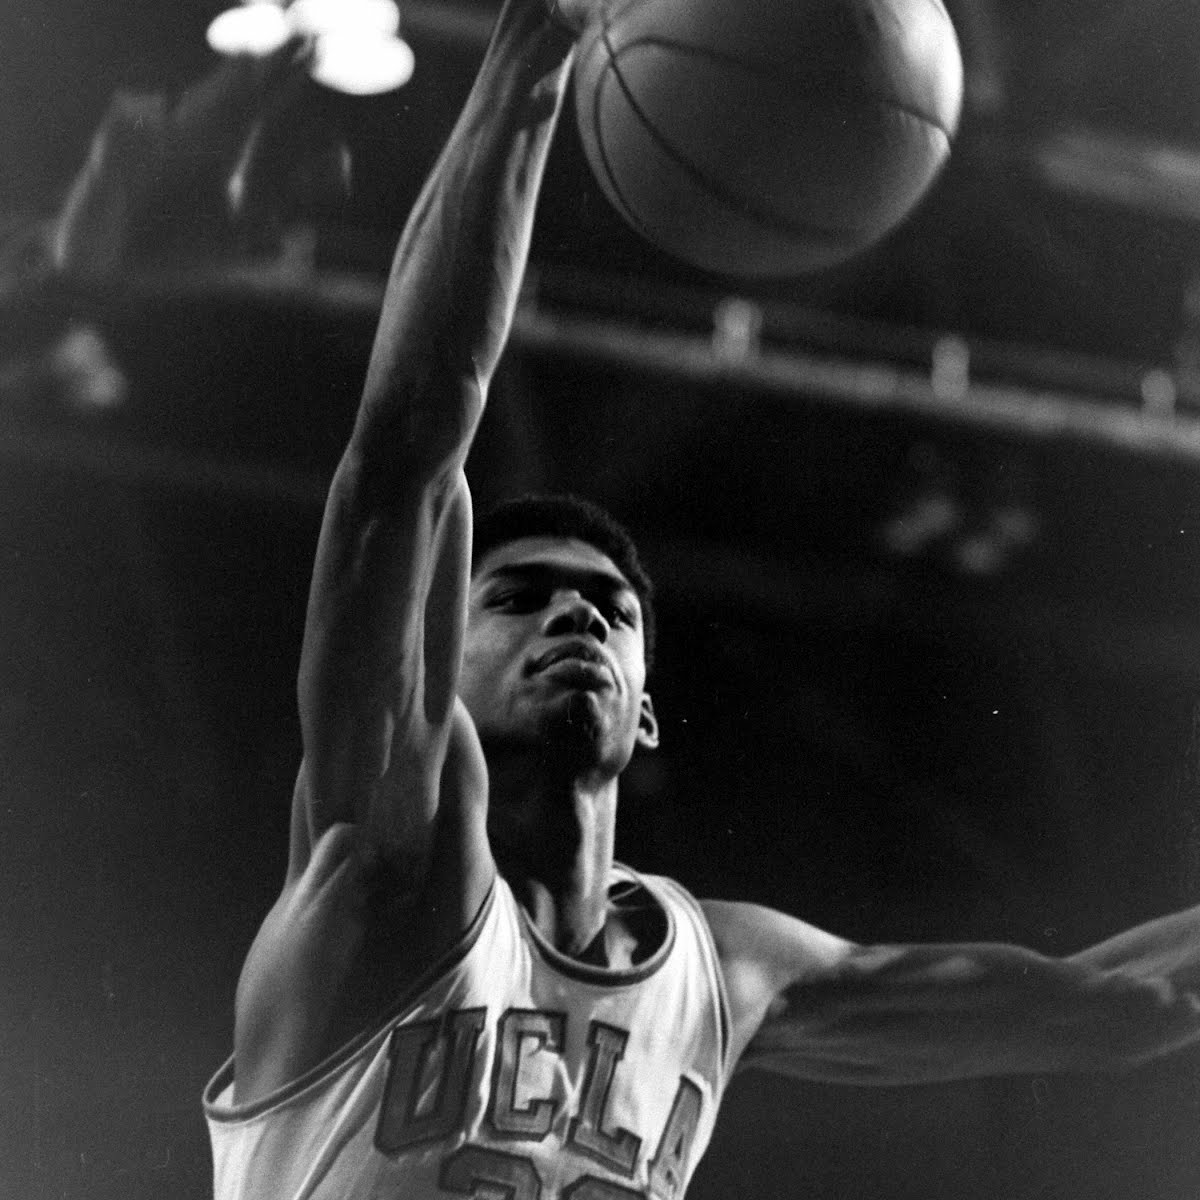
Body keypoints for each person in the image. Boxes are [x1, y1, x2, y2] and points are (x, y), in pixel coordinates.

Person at [203, 0, 1200, 1196]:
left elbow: (1123, 1006)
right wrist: (535, 49)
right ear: (436, 680)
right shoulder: (380, 879)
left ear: (647, 712)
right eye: (518, 598)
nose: (578, 617)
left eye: (612, 610)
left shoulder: (724, 974)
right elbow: (407, 443)